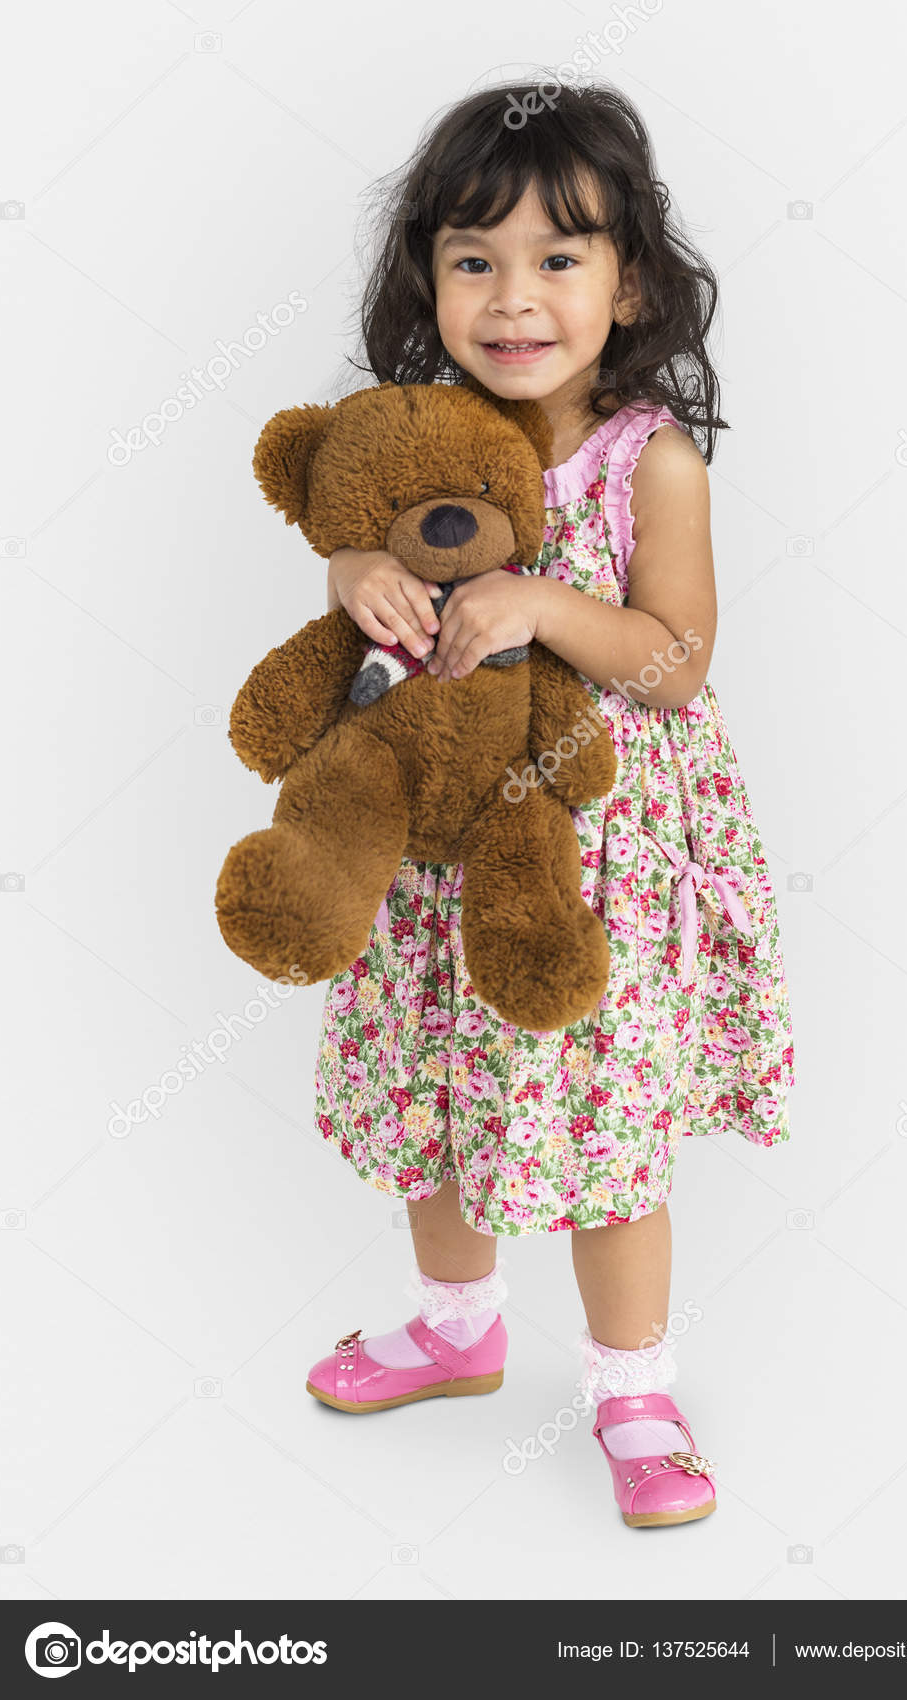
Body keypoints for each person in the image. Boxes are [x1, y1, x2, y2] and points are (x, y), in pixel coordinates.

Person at [304, 79, 795, 1529]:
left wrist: (542, 600)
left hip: (605, 866)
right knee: (438, 1088)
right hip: (440, 848)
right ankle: (458, 1326)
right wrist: (352, 577)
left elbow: (676, 661)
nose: (514, 298)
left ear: (629, 280)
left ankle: (634, 1385)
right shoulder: (416, 437)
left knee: (601, 1117)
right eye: (475, 260)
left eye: (559, 259)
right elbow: (353, 549)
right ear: (429, 280)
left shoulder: (658, 461)